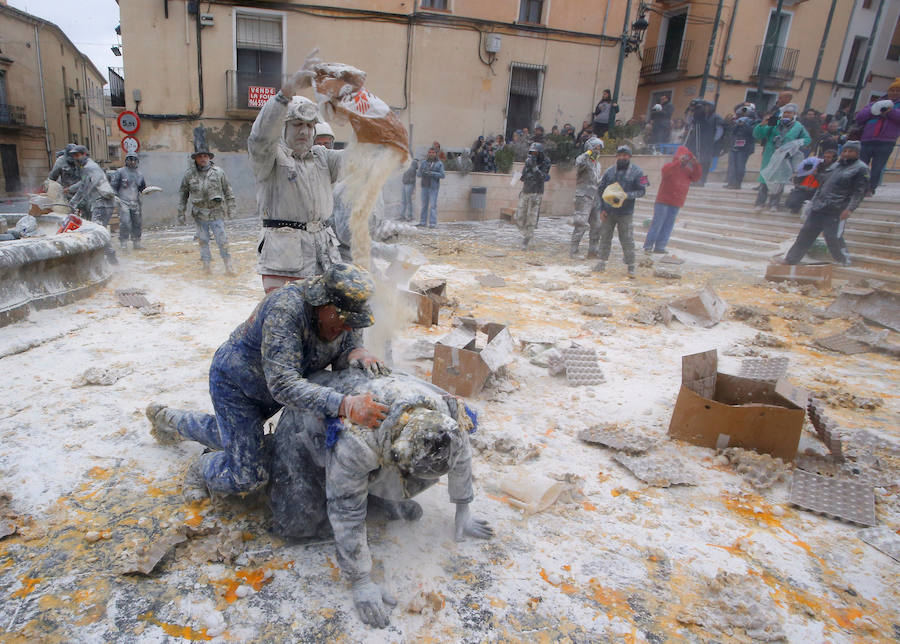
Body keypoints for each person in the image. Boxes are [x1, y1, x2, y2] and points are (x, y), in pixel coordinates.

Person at [268, 368, 493, 629]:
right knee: (296, 523)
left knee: (396, 487)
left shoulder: (446, 418)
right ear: (397, 452)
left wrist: (463, 508)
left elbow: (461, 454)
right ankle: (225, 458)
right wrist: (361, 580)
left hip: (374, 434)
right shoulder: (357, 440)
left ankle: (375, 494)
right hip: (305, 423)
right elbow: (346, 510)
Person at [146, 263, 390, 499]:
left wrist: (357, 352)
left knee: (234, 437)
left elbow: (347, 346)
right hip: (237, 386)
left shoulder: (345, 314)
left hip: (276, 388)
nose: (347, 327)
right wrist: (345, 405)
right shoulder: (286, 310)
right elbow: (283, 384)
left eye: (353, 323)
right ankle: (202, 468)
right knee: (249, 475)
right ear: (323, 303)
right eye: (344, 320)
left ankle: (169, 419)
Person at [782, 141, 869, 266]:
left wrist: (850, 209)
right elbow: (823, 184)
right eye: (845, 151)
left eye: (850, 151)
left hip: (837, 208)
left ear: (857, 153)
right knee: (805, 233)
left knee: (832, 237)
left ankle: (843, 260)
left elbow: (859, 192)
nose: (847, 154)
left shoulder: (861, 168)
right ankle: (791, 259)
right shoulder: (836, 166)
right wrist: (816, 176)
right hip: (819, 206)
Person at [177, 145, 236, 275]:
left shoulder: (219, 172)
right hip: (199, 214)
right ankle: (206, 267)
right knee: (203, 241)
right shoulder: (189, 175)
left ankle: (228, 266)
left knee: (222, 240)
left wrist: (231, 208)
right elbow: (183, 194)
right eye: (200, 156)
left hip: (216, 213)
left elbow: (228, 191)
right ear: (195, 159)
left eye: (205, 156)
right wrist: (181, 212)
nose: (203, 158)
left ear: (209, 157)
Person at [593, 145, 649, 277]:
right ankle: (601, 261)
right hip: (609, 211)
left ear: (629, 157)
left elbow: (643, 190)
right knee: (605, 237)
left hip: (626, 212)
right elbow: (600, 190)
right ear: (616, 156)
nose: (622, 158)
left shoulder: (639, 172)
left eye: (625, 155)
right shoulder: (609, 171)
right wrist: (601, 209)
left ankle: (631, 265)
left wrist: (626, 195)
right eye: (620, 155)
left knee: (627, 239)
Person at [643, 145, 701, 255]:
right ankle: (648, 245)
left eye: (686, 158)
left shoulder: (687, 170)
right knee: (657, 223)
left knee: (668, 225)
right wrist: (678, 162)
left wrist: (695, 164)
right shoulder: (669, 166)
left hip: (676, 202)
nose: (684, 160)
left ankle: (660, 246)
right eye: (682, 157)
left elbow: (696, 177)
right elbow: (666, 172)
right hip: (663, 201)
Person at [753, 103, 811, 211]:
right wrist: (762, 124)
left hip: (784, 157)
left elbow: (807, 139)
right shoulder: (774, 121)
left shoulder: (798, 126)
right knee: (765, 179)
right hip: (770, 155)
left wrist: (795, 144)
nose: (786, 115)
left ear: (794, 114)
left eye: (790, 113)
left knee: (779, 181)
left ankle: (774, 204)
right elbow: (759, 135)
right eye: (785, 112)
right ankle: (760, 203)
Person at [854, 78, 900, 195]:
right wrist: (873, 110)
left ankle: (870, 188)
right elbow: (859, 117)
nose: (894, 92)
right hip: (867, 139)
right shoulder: (875, 103)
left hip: (886, 141)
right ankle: (858, 186)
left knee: (877, 167)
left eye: (897, 90)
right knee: (861, 165)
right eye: (892, 90)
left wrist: (890, 112)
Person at [570, 136, 604, 258]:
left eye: (599, 148)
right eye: (595, 148)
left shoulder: (597, 165)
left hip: (594, 196)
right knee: (581, 223)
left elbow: (595, 180)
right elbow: (578, 163)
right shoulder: (584, 161)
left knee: (597, 224)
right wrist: (587, 154)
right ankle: (573, 251)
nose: (597, 150)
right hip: (583, 196)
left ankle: (593, 251)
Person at [515, 142, 551, 249]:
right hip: (526, 191)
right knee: (519, 216)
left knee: (531, 217)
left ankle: (527, 239)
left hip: (536, 192)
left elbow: (543, 177)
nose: (533, 154)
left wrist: (535, 167)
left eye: (535, 152)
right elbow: (523, 176)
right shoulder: (529, 160)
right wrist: (520, 175)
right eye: (532, 152)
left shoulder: (545, 161)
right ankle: (527, 235)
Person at [109, 153, 147, 250]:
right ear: (126, 160)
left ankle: (136, 242)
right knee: (125, 222)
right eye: (130, 159)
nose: (132, 162)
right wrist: (115, 196)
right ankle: (123, 242)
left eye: (134, 160)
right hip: (123, 202)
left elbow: (143, 189)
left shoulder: (140, 175)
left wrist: (147, 191)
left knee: (137, 222)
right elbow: (113, 187)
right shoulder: (119, 172)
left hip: (135, 202)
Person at [684, 99, 724, 186]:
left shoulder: (716, 117)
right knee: (692, 161)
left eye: (707, 106)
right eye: (704, 106)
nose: (706, 108)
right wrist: (690, 111)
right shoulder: (698, 116)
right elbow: (688, 122)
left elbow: (719, 131)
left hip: (707, 144)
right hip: (695, 141)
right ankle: (692, 179)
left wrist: (712, 141)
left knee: (704, 163)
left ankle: (701, 180)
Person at [724, 104, 758, 189]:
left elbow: (754, 133)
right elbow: (732, 131)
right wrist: (735, 124)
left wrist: (744, 125)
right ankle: (731, 182)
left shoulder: (755, 121)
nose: (743, 115)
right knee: (732, 165)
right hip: (734, 144)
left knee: (740, 165)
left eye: (745, 113)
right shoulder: (737, 120)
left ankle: (737, 183)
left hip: (745, 146)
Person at [417, 147, 445, 228]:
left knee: (433, 206)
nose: (431, 154)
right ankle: (422, 222)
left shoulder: (439, 163)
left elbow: (442, 175)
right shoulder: (423, 163)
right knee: (424, 205)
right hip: (424, 186)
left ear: (435, 154)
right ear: (428, 153)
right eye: (429, 152)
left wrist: (432, 173)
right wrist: (423, 172)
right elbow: (418, 174)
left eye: (433, 152)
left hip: (434, 187)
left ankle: (432, 223)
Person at [399, 157, 418, 221]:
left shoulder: (414, 162)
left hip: (410, 184)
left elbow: (416, 171)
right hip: (404, 183)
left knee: (408, 201)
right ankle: (402, 215)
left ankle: (410, 216)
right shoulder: (404, 162)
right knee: (403, 201)